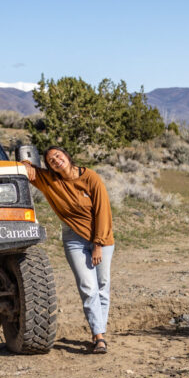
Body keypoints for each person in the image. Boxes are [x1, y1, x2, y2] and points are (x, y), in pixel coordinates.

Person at [21, 146, 114, 354]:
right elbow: (27, 171)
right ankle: (99, 337)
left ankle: (100, 331)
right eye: (50, 160)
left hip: (102, 236)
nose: (55, 160)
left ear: (67, 156)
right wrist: (25, 163)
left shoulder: (90, 178)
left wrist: (98, 244)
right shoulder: (50, 181)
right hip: (74, 239)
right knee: (87, 286)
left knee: (102, 285)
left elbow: (103, 211)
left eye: (58, 155)